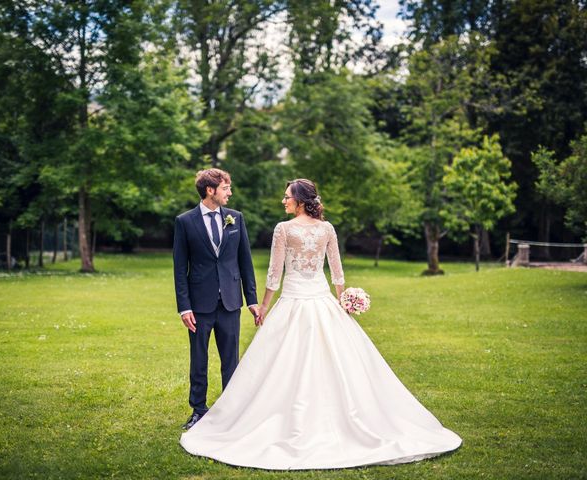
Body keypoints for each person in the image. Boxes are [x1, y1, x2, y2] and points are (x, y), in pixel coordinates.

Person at [179, 178, 462, 469]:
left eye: (287, 196)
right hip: (322, 300)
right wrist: (344, 301)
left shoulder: (284, 229)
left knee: (280, 363)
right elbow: (337, 272)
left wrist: (264, 305)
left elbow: (274, 275)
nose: (283, 200)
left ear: (300, 201)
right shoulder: (327, 229)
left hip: (292, 302)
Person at [173, 168, 259, 430]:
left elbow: (245, 261)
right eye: (226, 188)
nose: (230, 192)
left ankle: (230, 411)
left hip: (230, 302)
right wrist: (184, 307)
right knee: (199, 358)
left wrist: (252, 299)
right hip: (199, 305)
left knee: (230, 360)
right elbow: (180, 268)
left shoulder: (236, 218)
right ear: (210, 190)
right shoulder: (185, 222)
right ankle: (198, 409)